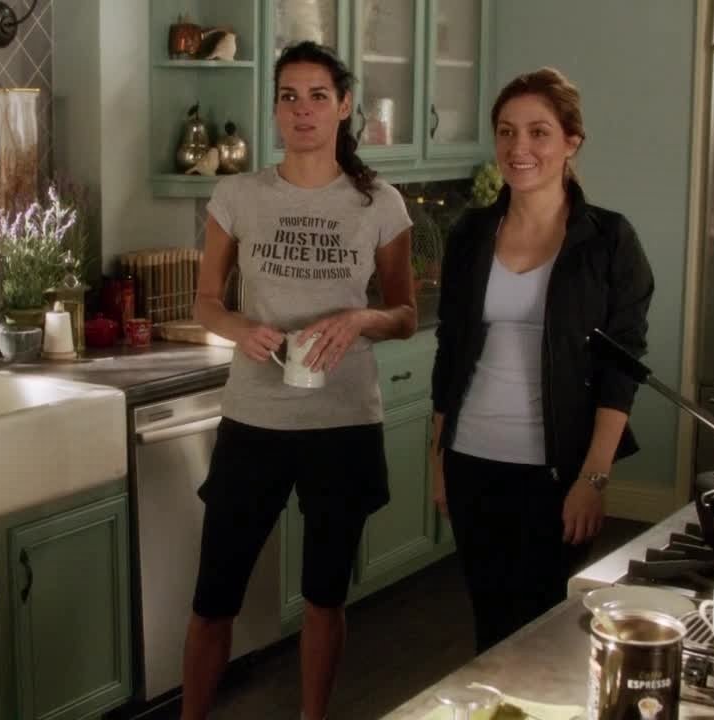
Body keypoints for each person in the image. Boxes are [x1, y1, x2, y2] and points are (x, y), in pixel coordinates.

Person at [181, 41, 417, 720]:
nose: (302, 110)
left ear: (344, 106)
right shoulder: (238, 195)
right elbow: (205, 302)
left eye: (318, 96)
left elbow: (405, 315)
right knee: (213, 598)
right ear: (276, 108)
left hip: (342, 422)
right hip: (253, 421)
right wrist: (239, 328)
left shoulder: (380, 203)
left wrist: (360, 318)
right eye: (289, 96)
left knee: (324, 597)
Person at [429, 67, 654, 654]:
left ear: (571, 141)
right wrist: (438, 458)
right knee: (490, 628)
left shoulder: (609, 240)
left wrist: (594, 477)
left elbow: (622, 369)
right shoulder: (471, 233)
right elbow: (450, 351)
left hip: (558, 471)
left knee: (546, 630)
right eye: (506, 131)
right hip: (472, 459)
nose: (518, 148)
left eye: (538, 132)